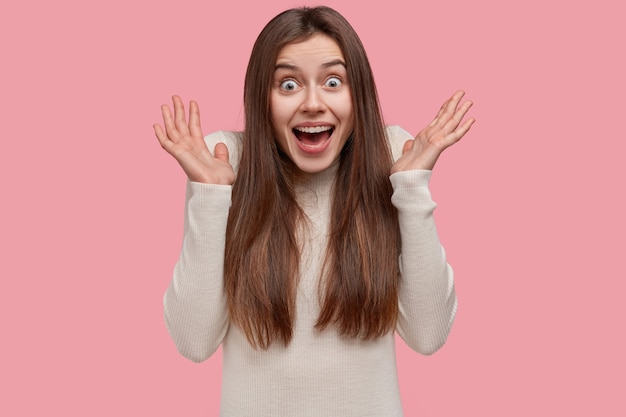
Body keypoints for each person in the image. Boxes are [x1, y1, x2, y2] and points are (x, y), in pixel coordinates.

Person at [154, 6, 474, 416]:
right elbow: (193, 342)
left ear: (358, 94)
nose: (312, 103)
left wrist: (411, 188)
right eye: (288, 84)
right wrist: (211, 196)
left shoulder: (393, 159)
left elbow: (428, 335)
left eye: (333, 81)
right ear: (261, 99)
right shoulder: (225, 163)